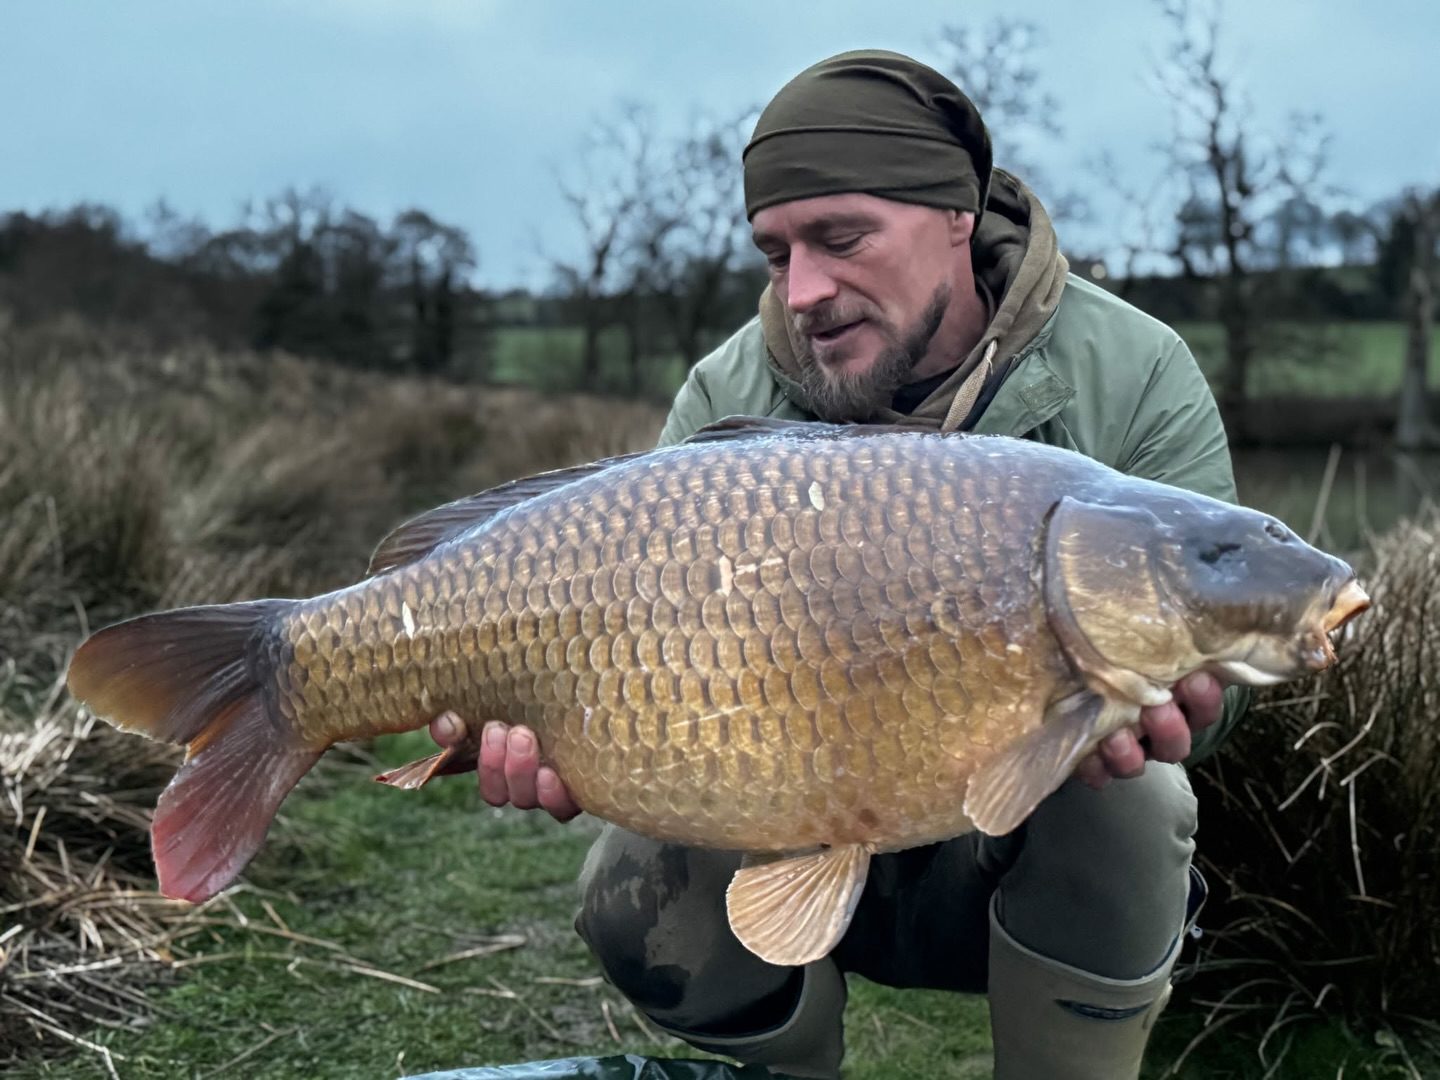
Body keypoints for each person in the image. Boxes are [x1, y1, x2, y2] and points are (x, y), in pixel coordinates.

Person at [429, 49, 1247, 1080]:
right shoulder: (726, 390)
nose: (806, 290)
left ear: (956, 212)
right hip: (781, 823)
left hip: (1012, 857)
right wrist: (565, 738)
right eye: (776, 254)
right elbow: (622, 642)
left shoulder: (1134, 373)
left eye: (841, 238)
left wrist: (1197, 704)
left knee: (1136, 791)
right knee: (629, 874)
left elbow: (1223, 641)